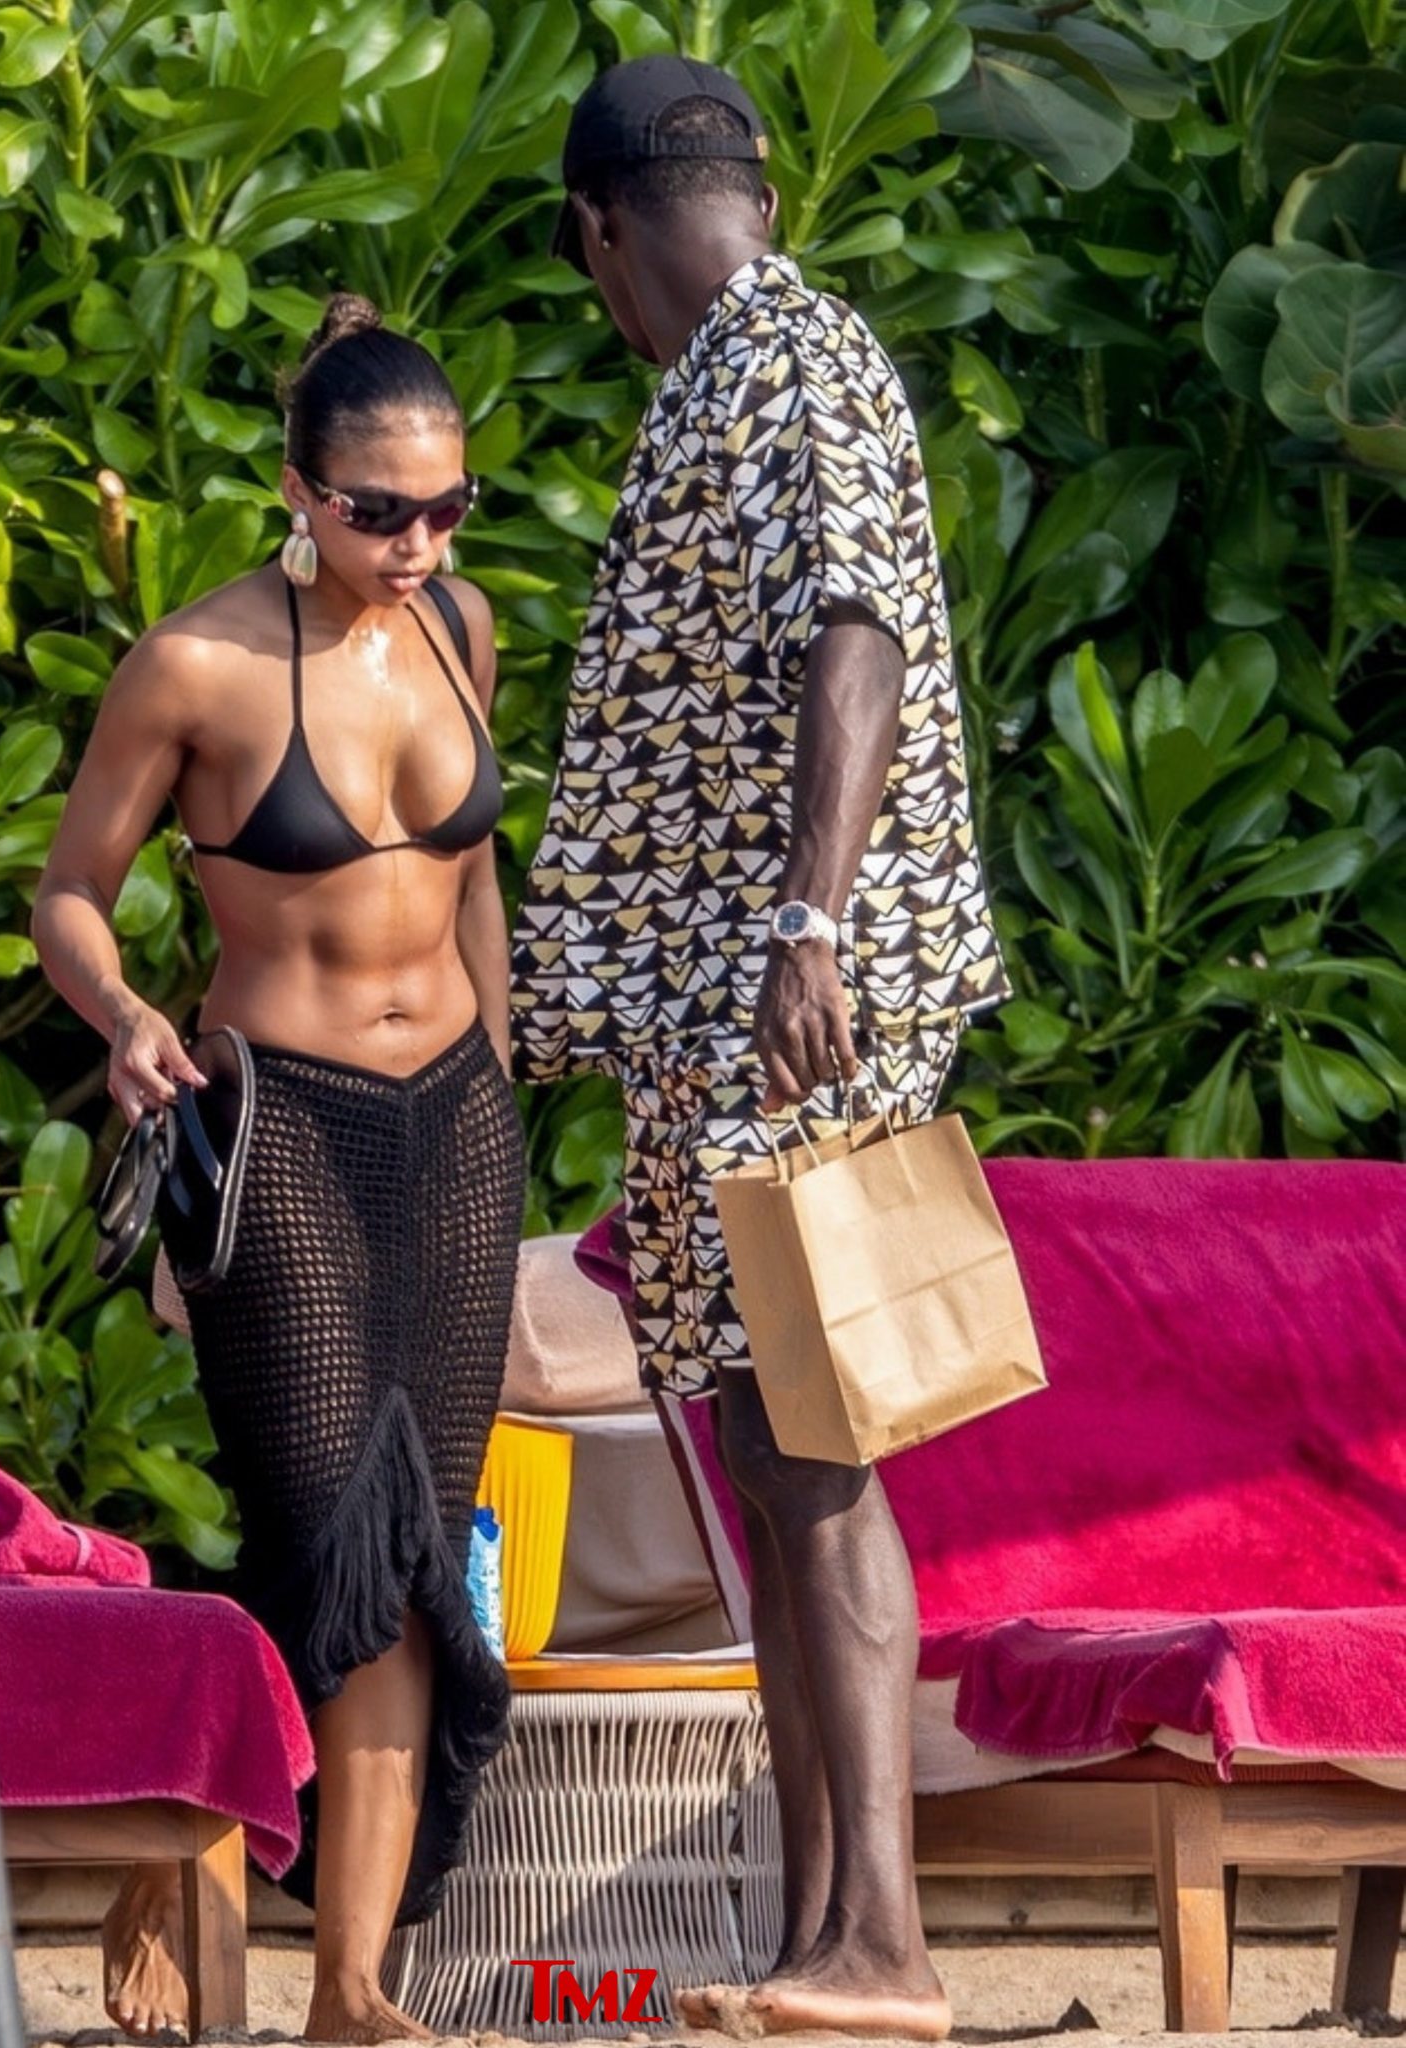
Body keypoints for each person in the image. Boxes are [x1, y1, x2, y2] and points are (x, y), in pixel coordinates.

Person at [510, 56, 1009, 2040]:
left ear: (598, 231)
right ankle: (819, 1938)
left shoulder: (794, 366)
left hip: (793, 1006)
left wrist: (808, 921)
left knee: (815, 1449)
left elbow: (853, 632)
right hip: (710, 1015)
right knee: (755, 1449)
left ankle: (882, 1942)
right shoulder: (723, 375)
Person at [33, 294, 524, 2045]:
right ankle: (186, 1836)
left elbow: (473, 879)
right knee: (324, 1521)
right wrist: (121, 1015)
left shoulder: (460, 628)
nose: (419, 543)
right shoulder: (196, 666)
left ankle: (349, 1988)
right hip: (284, 1119)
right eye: (380, 511)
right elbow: (69, 891)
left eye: (448, 506)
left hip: (457, 1122)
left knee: (415, 1550)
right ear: (299, 493)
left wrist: (508, 1079)